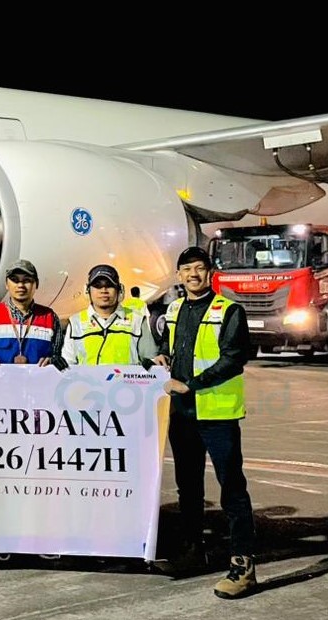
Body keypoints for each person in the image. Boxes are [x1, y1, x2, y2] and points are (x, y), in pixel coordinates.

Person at [151, 246, 257, 599]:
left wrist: (192, 384)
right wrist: (162, 356)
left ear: (210, 272)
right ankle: (192, 552)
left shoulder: (229, 311)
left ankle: (243, 567)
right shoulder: (174, 309)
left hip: (217, 413)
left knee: (232, 489)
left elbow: (234, 358)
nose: (193, 275)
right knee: (189, 488)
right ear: (179, 276)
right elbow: (170, 347)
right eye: (186, 269)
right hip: (182, 414)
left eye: (199, 268)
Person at [61, 264, 157, 367]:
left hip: (125, 378)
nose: (103, 290)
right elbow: (68, 364)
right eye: (97, 285)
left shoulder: (138, 321)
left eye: (109, 285)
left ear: (119, 290)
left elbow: (151, 361)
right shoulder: (76, 322)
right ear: (87, 291)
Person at [0, 259, 63, 368]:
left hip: (37, 378)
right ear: (6, 284)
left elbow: (57, 355)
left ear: (36, 284)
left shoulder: (50, 317)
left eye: (27, 280)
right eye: (14, 280)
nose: (20, 285)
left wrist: (52, 360)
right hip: (0, 378)